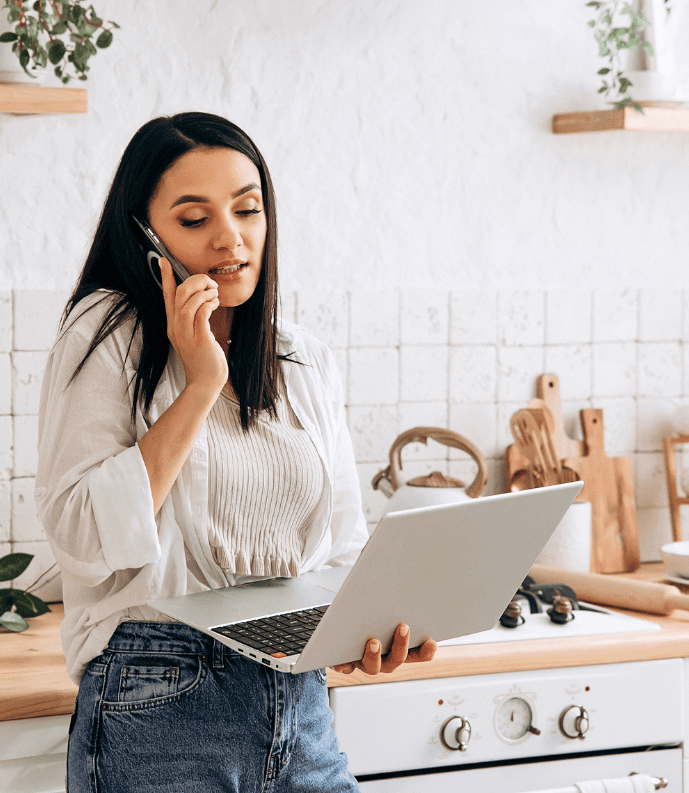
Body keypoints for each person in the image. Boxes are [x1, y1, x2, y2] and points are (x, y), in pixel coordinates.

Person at [36, 111, 437, 792]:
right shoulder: (108, 333)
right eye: (194, 220)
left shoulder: (302, 359)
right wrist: (201, 385)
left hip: (300, 706)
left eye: (248, 209)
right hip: (159, 698)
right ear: (145, 234)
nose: (231, 237)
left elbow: (341, 545)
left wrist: (368, 627)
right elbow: (79, 535)